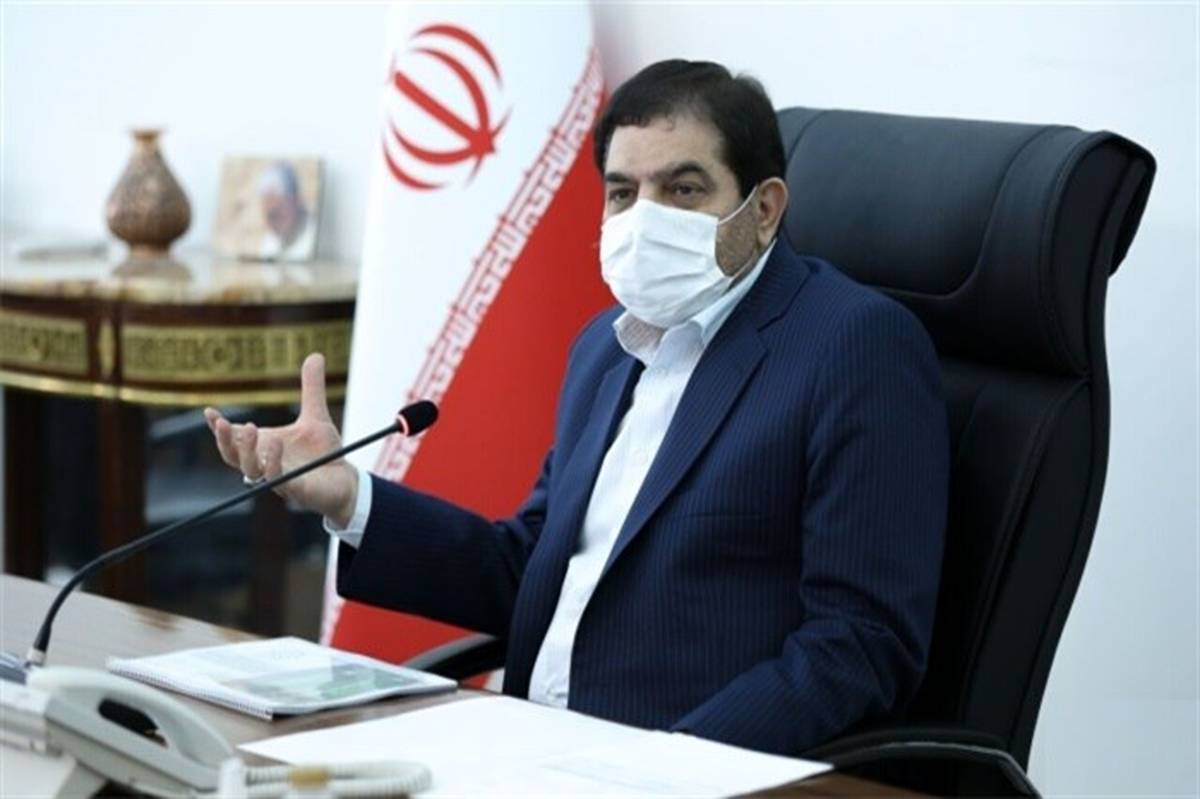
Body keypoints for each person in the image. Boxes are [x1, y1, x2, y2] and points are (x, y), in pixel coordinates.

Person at [205, 60, 948, 756]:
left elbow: (861, 642)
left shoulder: (853, 346)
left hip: (677, 767)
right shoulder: (605, 347)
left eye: (684, 190)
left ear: (765, 210)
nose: (646, 218)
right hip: (530, 749)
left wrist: (667, 768)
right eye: (623, 193)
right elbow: (531, 566)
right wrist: (350, 497)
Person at [257, 161, 315, 261]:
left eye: (277, 214)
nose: (272, 224)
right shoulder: (269, 243)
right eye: (269, 216)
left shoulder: (311, 237)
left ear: (296, 200)